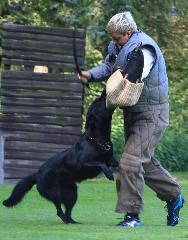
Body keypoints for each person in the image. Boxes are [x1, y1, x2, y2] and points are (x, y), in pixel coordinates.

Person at [78, 11, 184, 227]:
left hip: (152, 114)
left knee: (129, 162)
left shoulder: (145, 49)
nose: (113, 41)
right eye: (111, 37)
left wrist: (124, 78)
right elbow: (109, 67)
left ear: (128, 33)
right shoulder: (117, 46)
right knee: (144, 162)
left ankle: (132, 216)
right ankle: (175, 196)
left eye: (116, 38)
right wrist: (90, 74)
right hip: (133, 113)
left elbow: (137, 73)